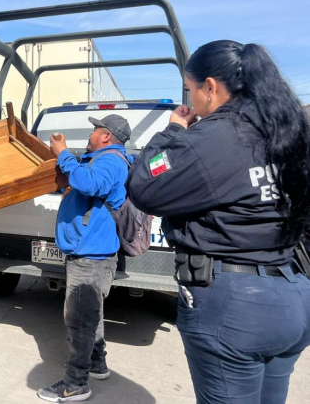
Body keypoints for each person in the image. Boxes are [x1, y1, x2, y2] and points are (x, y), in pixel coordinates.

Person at [127, 40, 310, 404]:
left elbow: (144, 184)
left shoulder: (213, 137)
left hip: (236, 305)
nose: (191, 99)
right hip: (294, 289)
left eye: (190, 89)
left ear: (210, 87)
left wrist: (174, 131)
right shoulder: (286, 130)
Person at [38, 114, 133, 403]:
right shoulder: (102, 159)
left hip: (92, 256)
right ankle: (97, 363)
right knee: (91, 313)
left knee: (79, 319)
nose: (90, 134)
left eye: (95, 130)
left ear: (106, 136)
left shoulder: (111, 161)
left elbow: (90, 184)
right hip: (89, 251)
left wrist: (63, 153)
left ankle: (76, 383)